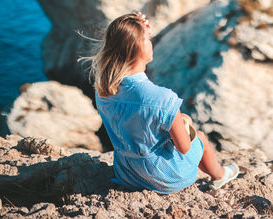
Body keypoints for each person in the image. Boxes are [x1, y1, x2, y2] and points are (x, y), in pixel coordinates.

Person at [88, 11, 239, 194]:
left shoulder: (103, 90)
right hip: (164, 177)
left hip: (127, 173)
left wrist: (136, 25)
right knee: (199, 137)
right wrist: (185, 125)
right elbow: (183, 148)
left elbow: (138, 125)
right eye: (147, 38)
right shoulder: (163, 99)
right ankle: (220, 175)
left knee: (178, 121)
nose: (151, 42)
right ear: (138, 46)